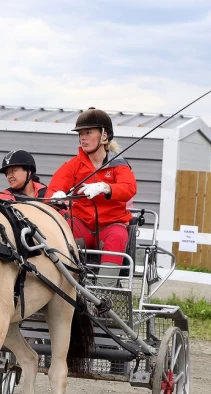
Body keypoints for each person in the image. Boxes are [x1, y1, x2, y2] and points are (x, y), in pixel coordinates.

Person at [47, 107, 137, 288]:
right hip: (81, 223)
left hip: (112, 225)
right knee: (63, 231)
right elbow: (53, 189)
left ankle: (104, 293)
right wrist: (55, 197)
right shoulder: (73, 165)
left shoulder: (119, 165)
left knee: (118, 237)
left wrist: (106, 187)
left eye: (88, 133)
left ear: (104, 136)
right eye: (80, 133)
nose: (82, 138)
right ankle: (68, 286)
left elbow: (129, 188)